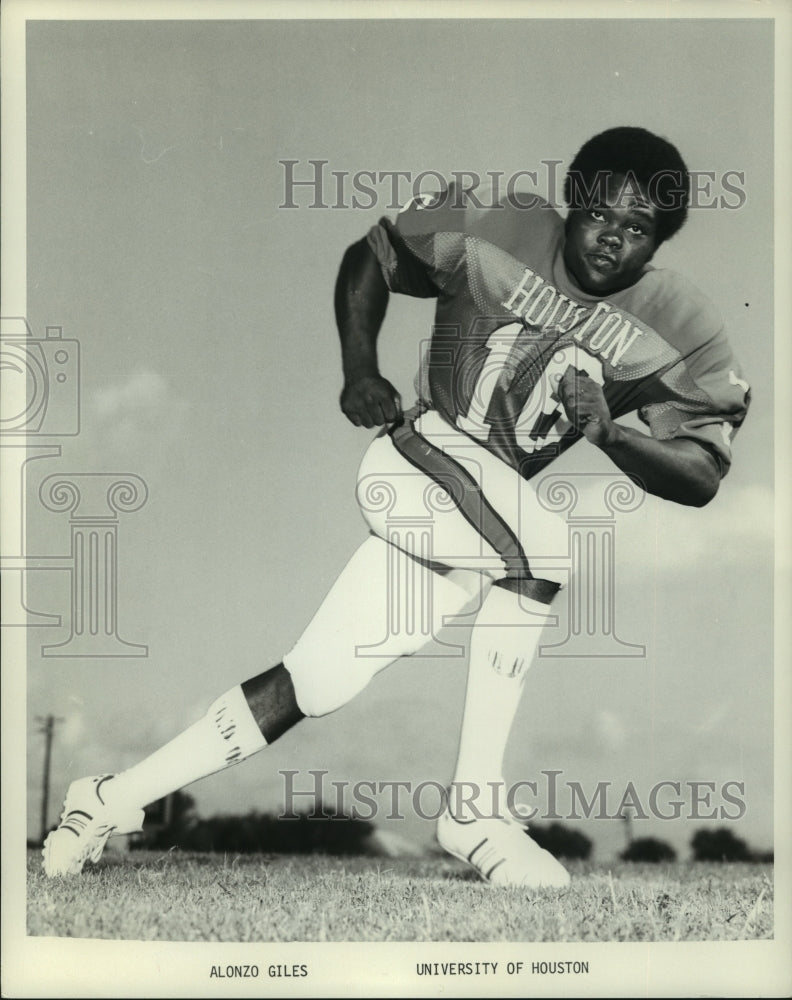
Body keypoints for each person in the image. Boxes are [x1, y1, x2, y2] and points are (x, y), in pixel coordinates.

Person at [43, 127, 749, 887]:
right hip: (420, 457)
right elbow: (373, 256)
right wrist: (358, 369)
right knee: (545, 548)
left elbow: (700, 473)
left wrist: (610, 436)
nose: (613, 240)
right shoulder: (499, 223)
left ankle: (108, 799)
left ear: (659, 243)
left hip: (475, 519)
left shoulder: (679, 326)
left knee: (318, 680)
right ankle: (475, 810)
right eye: (602, 215)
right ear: (572, 201)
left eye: (638, 229)